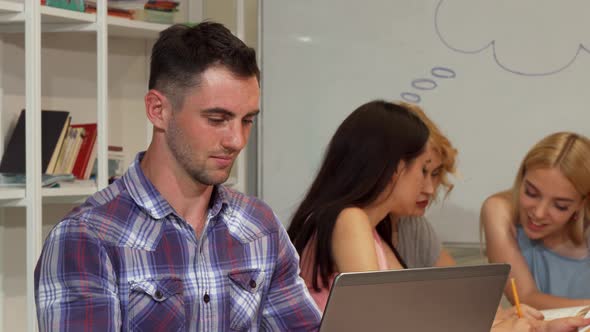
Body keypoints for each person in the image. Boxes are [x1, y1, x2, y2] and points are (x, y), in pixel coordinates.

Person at [34, 22, 321, 331]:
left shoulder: (260, 226)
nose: (236, 140)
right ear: (158, 110)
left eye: (247, 120)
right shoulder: (87, 237)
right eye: (217, 119)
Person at [287, 100, 433, 311]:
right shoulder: (350, 219)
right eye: (423, 170)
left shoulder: (373, 228)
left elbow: (413, 306)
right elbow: (376, 315)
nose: (428, 187)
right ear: (397, 168)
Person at [482, 132, 590, 310]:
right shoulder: (499, 210)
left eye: (560, 205)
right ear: (521, 178)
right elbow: (525, 299)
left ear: (581, 203)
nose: (539, 213)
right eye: (531, 193)